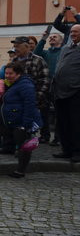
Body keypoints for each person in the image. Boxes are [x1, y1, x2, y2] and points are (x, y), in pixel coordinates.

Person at [0, 62, 42, 178]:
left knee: (24, 146)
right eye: (6, 73)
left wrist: (25, 124)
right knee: (20, 144)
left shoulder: (25, 85)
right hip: (15, 120)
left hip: (22, 122)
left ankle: (20, 170)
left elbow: (29, 105)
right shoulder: (14, 83)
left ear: (18, 74)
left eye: (10, 73)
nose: (7, 75)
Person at [51, 23, 80, 163]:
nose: (73, 34)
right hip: (60, 91)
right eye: (72, 32)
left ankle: (77, 151)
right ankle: (66, 149)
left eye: (76, 32)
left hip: (75, 92)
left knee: (76, 123)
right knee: (62, 123)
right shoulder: (66, 48)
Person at [34, 29, 63, 144]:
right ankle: (44, 135)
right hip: (46, 86)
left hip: (59, 85)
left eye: (55, 37)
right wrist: (43, 39)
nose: (52, 38)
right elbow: (36, 52)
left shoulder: (63, 51)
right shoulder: (46, 53)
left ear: (61, 41)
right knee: (43, 112)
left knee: (58, 113)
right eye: (51, 37)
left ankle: (58, 137)